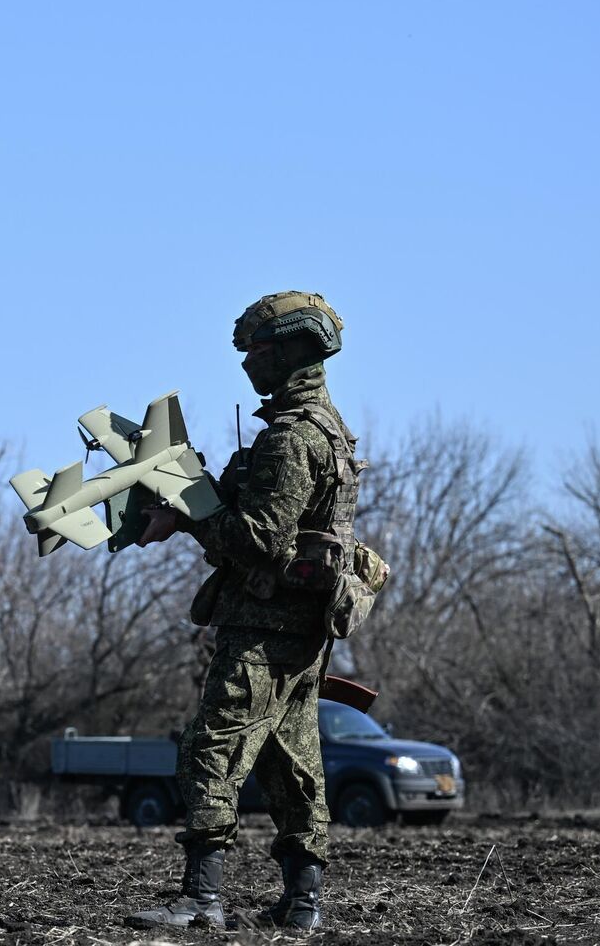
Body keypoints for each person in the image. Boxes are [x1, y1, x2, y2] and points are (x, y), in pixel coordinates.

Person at [126, 291, 363, 932]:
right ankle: (302, 903)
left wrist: (191, 515)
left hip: (263, 629)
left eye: (257, 349)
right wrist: (193, 508)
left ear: (292, 351)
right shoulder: (327, 430)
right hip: (300, 628)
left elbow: (259, 537)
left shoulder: (291, 439)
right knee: (292, 763)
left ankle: (201, 899)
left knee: (210, 749)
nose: (247, 362)